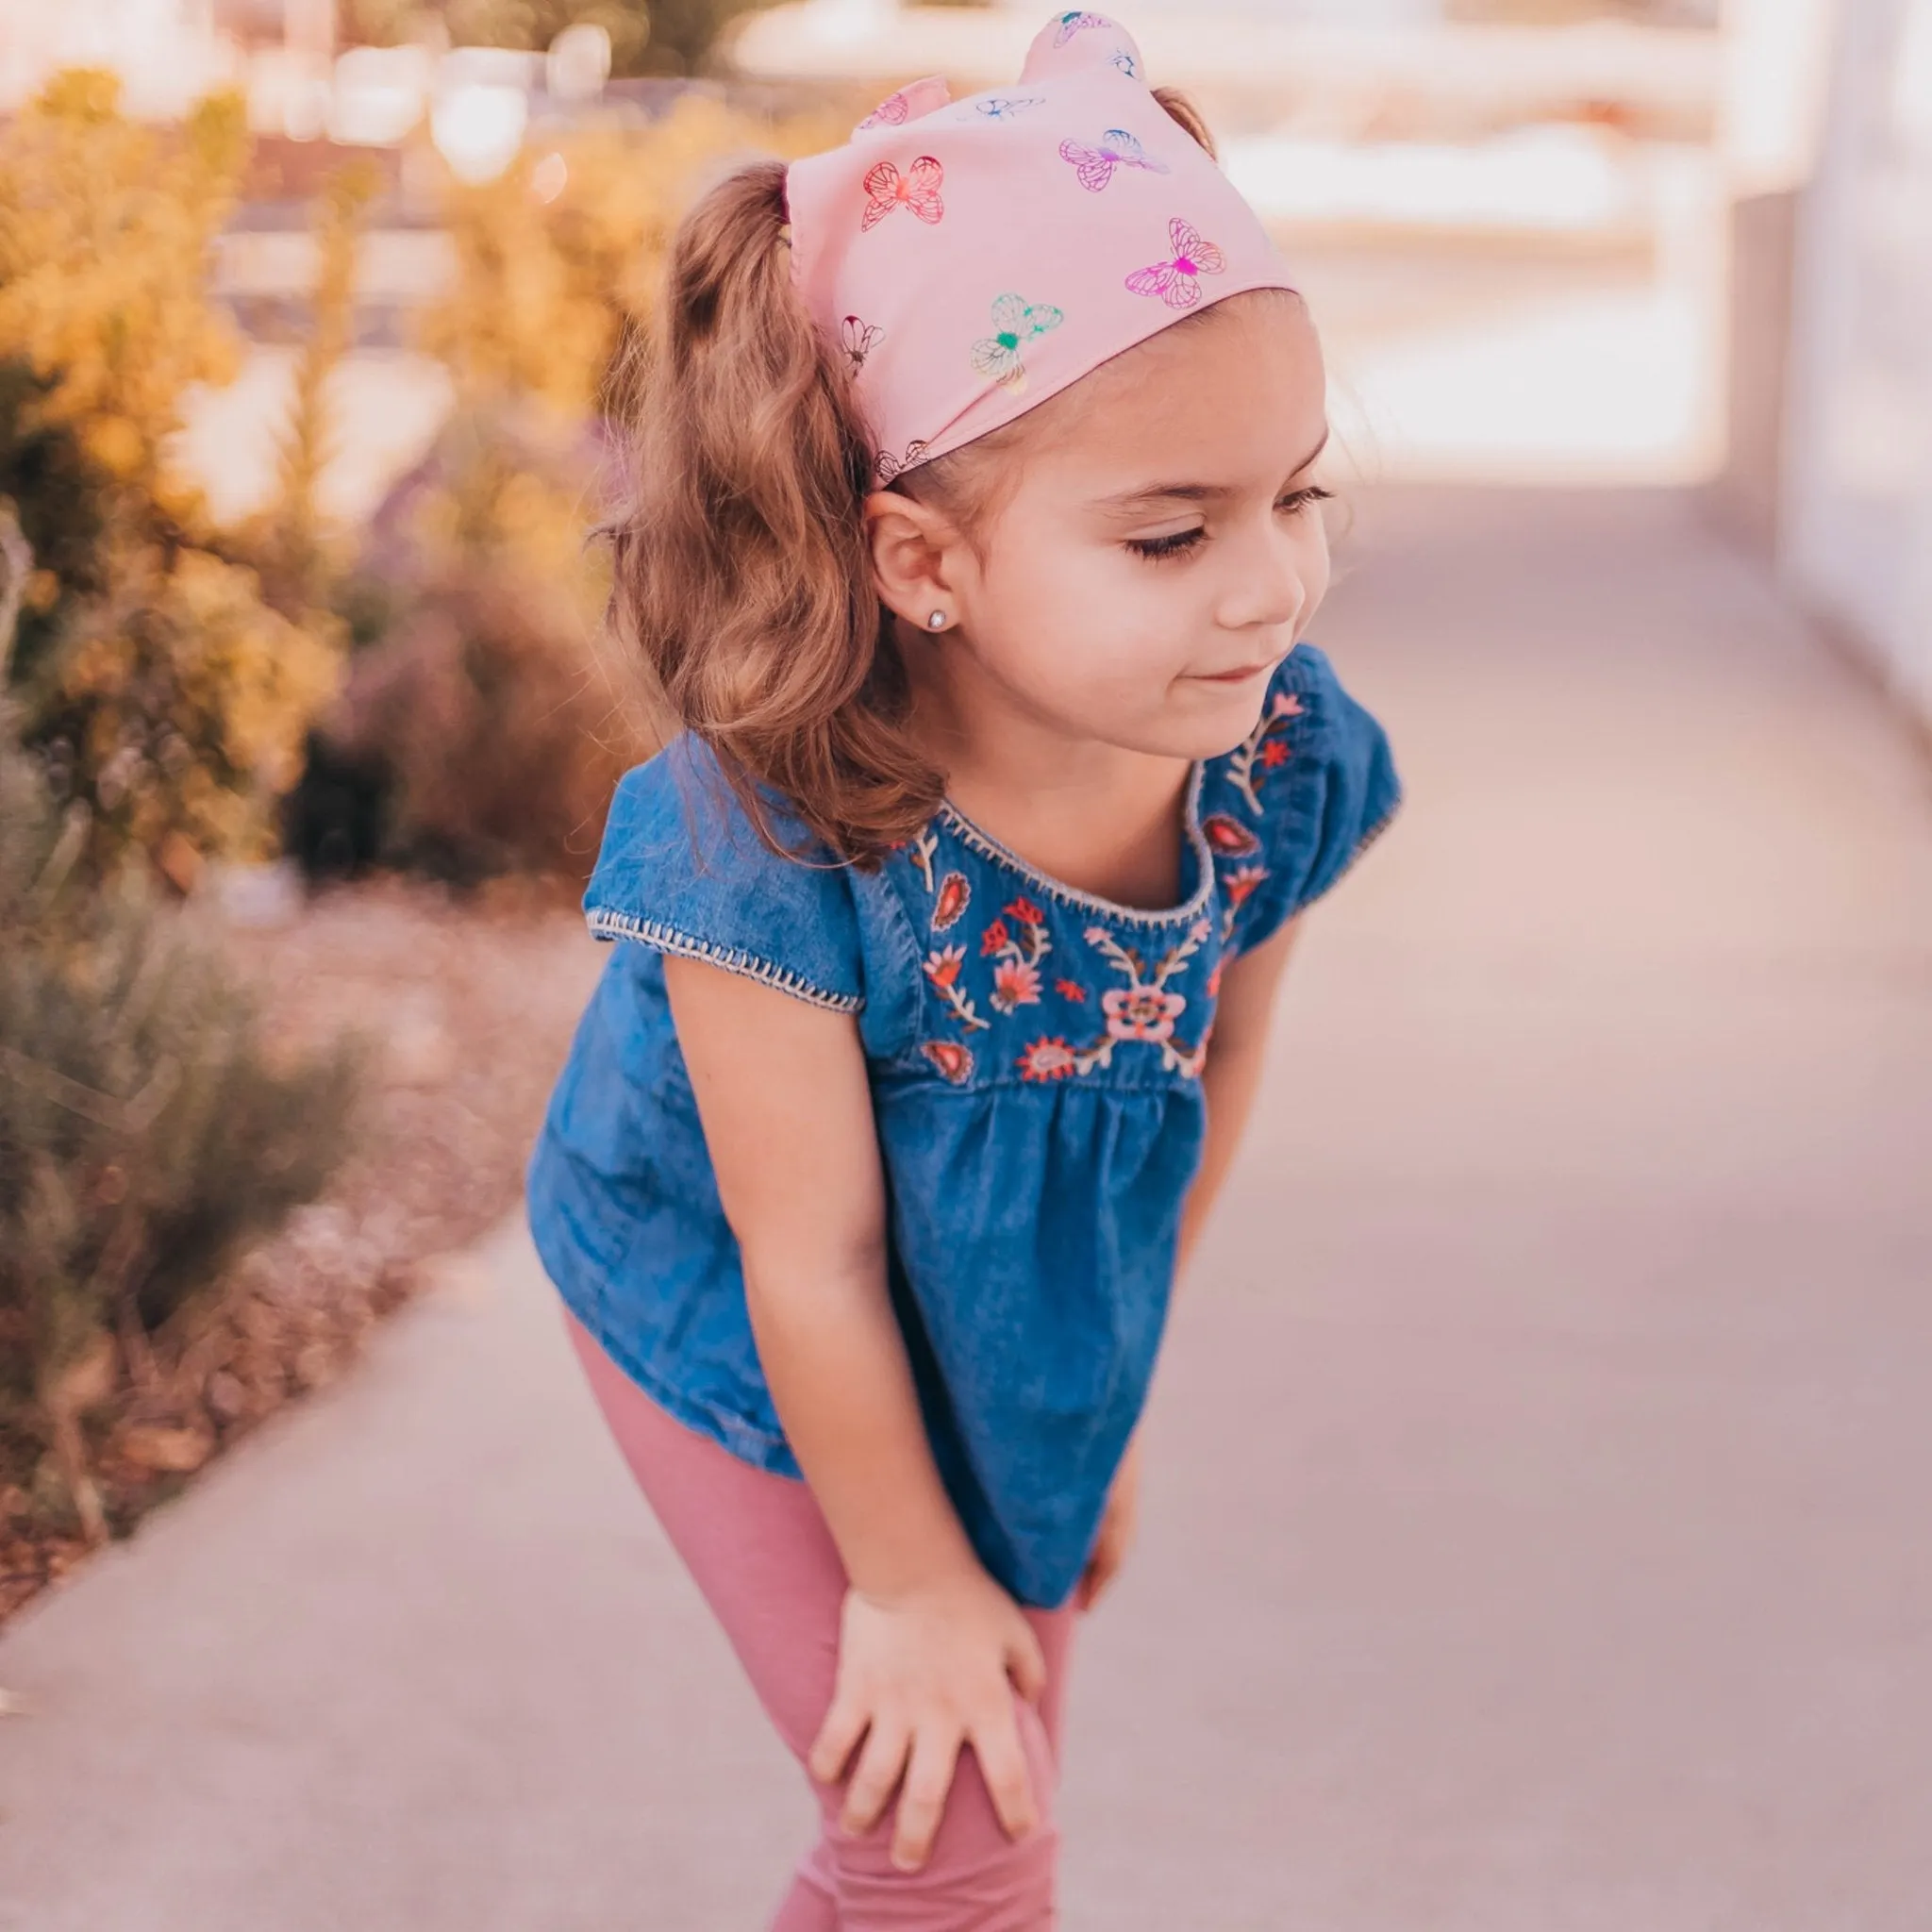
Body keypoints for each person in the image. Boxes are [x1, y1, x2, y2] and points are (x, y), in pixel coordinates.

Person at [526, 12, 1401, 1926]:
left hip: (1010, 1315)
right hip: (735, 1313)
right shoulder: (767, 832)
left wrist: (1094, 1410)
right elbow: (810, 1258)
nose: (1269, 587)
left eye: (1295, 496)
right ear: (920, 561)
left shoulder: (1269, 758)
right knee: (958, 1841)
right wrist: (914, 1581)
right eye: (1171, 533)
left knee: (947, 1842)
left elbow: (1203, 1085)